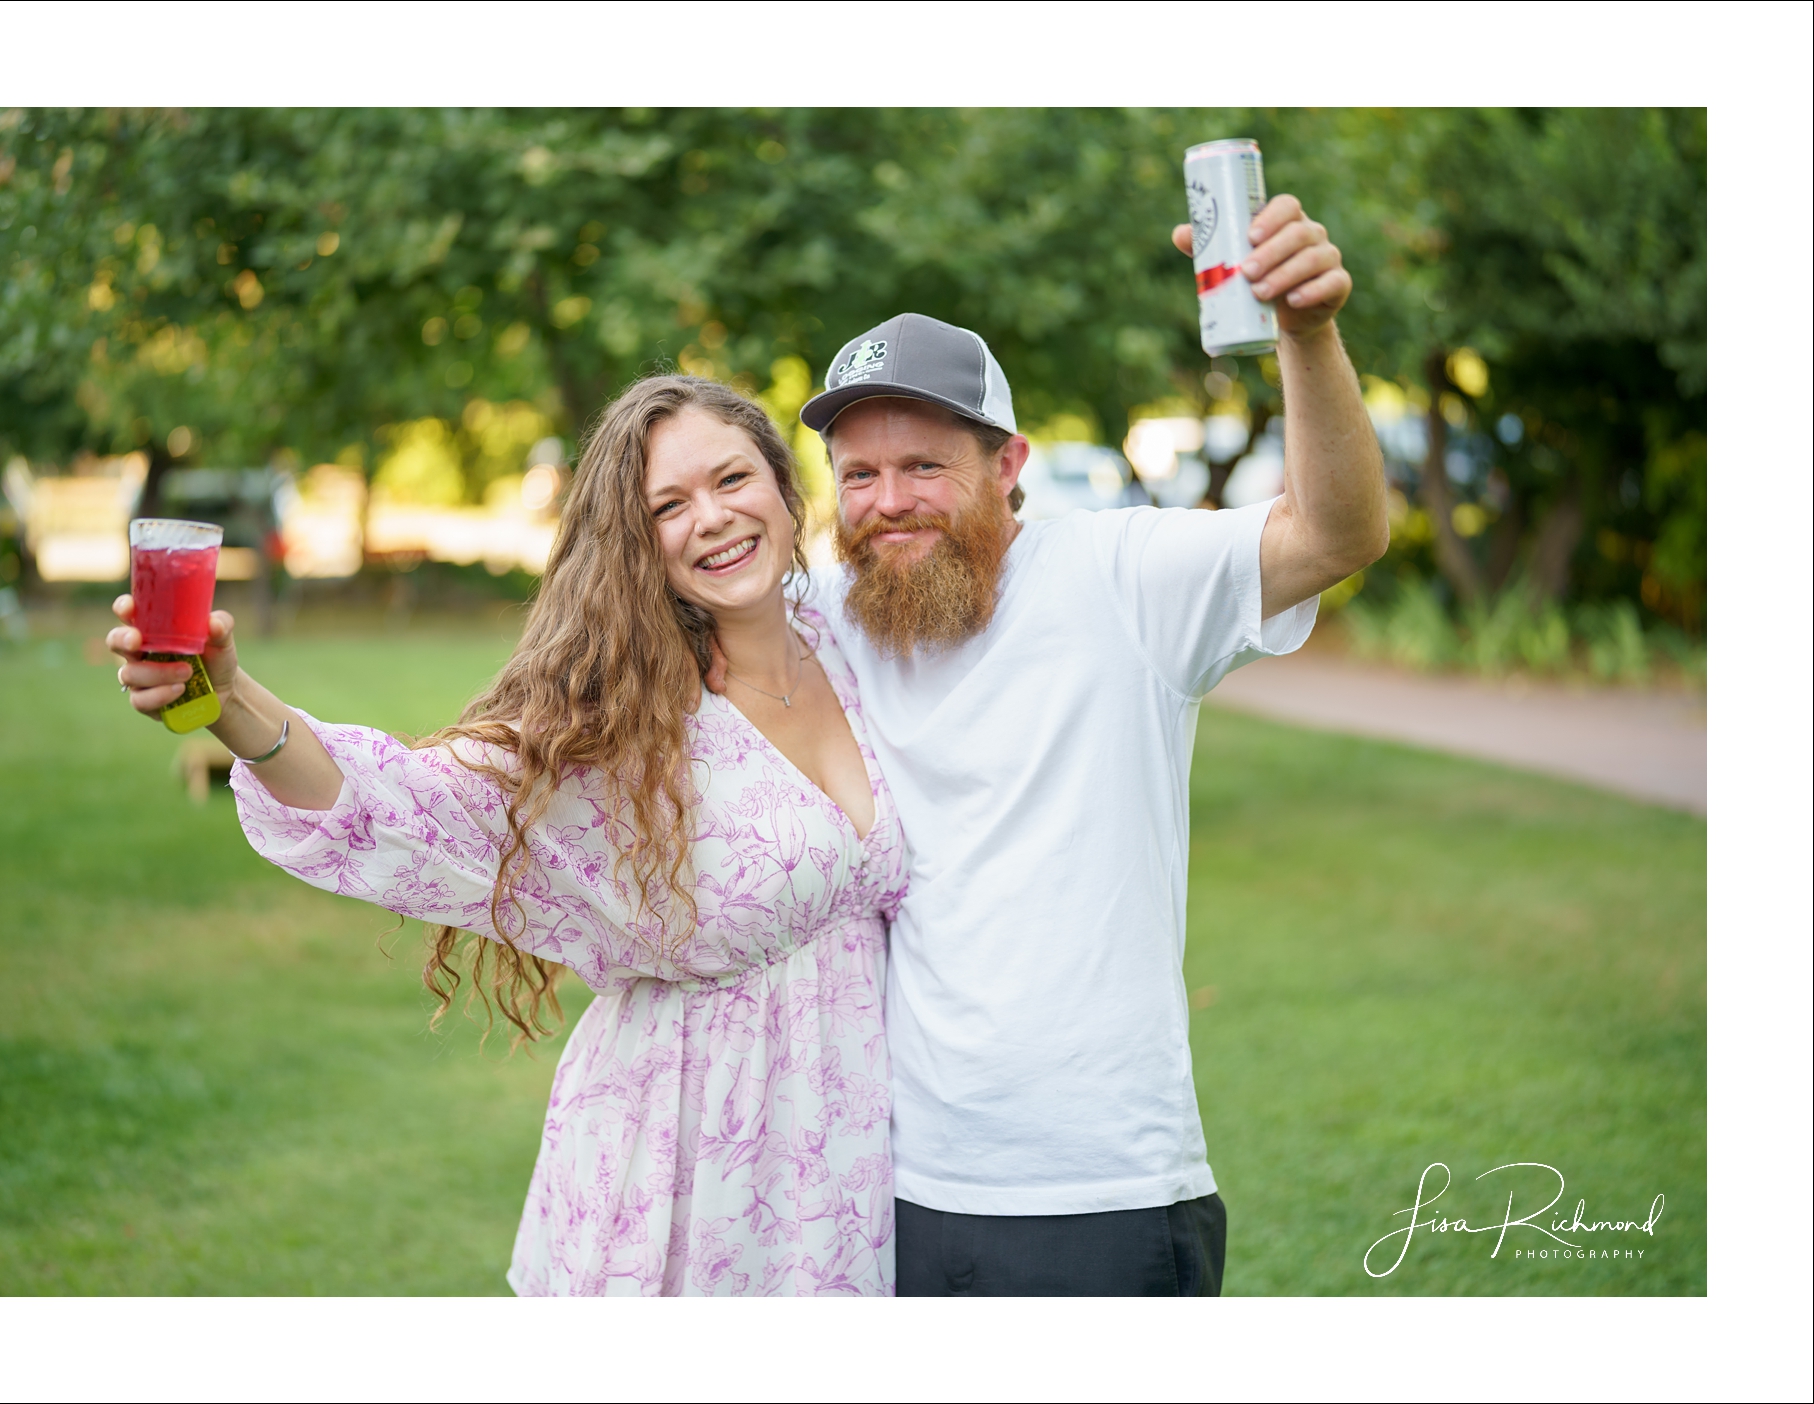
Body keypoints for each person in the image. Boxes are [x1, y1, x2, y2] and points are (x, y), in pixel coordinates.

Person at [111, 377, 907, 1296]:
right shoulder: (626, 723)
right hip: (683, 1183)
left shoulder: (850, 650)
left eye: (732, 480)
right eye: (669, 506)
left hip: (839, 1178)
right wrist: (229, 700)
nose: (713, 519)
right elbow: (403, 799)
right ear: (636, 544)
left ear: (780, 483)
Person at [758, 194, 1388, 1295]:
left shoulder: (1120, 579)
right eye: (857, 475)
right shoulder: (827, 624)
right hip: (890, 1186)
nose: (886, 501)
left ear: (1009, 464)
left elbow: (1336, 533)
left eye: (923, 467)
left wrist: (1306, 333)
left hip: (1102, 1193)